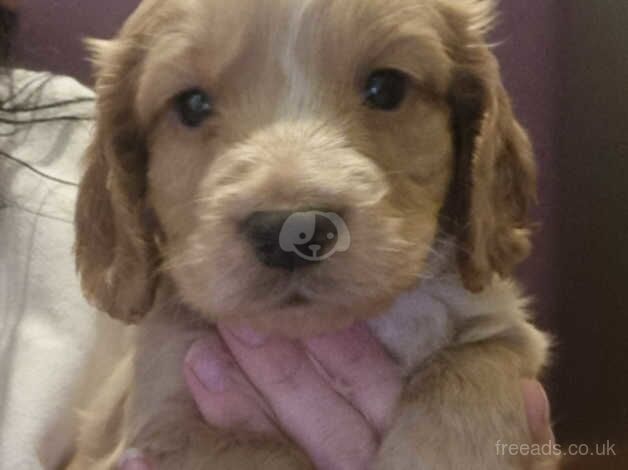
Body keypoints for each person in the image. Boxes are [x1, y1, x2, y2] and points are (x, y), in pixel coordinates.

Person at [0, 2, 554, 468]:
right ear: (130, 166)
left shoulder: (469, 321)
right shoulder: (179, 344)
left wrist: (479, 399)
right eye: (193, 106)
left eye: (385, 90)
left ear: (468, 124)